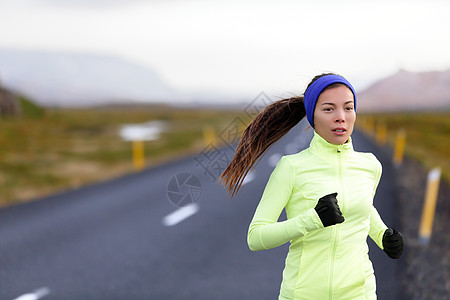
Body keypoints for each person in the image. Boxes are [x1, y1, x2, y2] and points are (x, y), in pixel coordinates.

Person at [219, 73, 404, 300]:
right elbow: (255, 237)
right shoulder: (291, 168)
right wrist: (311, 220)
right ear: (312, 116)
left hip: (361, 293)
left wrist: (382, 235)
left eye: (348, 108)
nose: (341, 117)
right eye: (328, 109)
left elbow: (363, 207)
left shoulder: (370, 165)